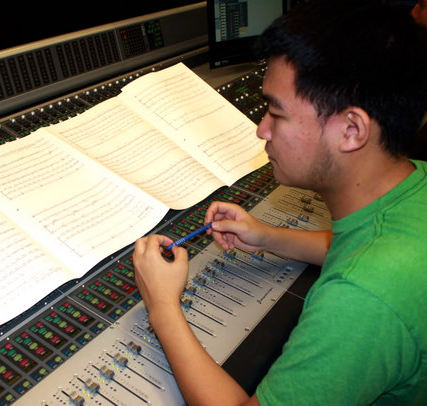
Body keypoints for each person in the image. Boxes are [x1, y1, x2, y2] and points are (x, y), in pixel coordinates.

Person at [133, 0, 427, 405]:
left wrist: (162, 306)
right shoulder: (415, 180)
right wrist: (268, 237)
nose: (261, 129)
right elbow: (360, 242)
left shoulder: (361, 299)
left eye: (276, 113)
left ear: (351, 130)